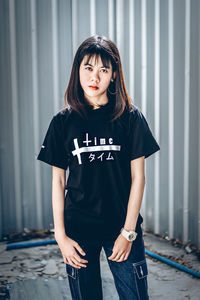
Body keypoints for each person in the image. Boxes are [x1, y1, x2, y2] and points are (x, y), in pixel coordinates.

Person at [37, 35, 160, 300]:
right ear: (77, 71)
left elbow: (139, 178)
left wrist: (128, 233)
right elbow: (58, 181)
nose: (95, 77)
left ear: (114, 75)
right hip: (78, 231)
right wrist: (61, 236)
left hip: (121, 227)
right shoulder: (62, 122)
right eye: (88, 68)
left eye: (104, 70)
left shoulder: (130, 117)